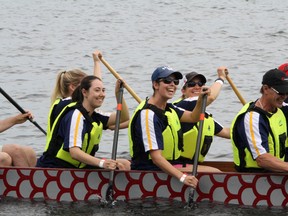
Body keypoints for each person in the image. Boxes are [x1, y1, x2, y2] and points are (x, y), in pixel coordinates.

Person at [128, 66, 221, 189]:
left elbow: (193, 117)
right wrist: (182, 177)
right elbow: (156, 158)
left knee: (216, 172)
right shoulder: (148, 114)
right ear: (155, 85)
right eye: (167, 81)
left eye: (175, 82)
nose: (172, 85)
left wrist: (200, 101)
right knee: (217, 174)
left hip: (169, 165)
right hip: (149, 170)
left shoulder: (170, 108)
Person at [37, 75, 130, 170]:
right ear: (84, 92)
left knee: (124, 165)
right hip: (55, 168)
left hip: (78, 167)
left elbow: (123, 117)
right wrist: (102, 163)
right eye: (97, 90)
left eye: (103, 90)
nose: (102, 94)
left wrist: (119, 95)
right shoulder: (76, 115)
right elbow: (74, 152)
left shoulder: (95, 114)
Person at [231, 68, 288, 172]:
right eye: (281, 92)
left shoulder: (282, 108)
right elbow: (262, 159)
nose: (284, 96)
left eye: (287, 92)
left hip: (278, 173)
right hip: (255, 178)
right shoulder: (253, 118)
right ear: (265, 89)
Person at [173, 67, 230, 166]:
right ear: (183, 91)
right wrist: (221, 78)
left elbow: (228, 133)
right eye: (191, 84)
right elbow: (210, 97)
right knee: (216, 172)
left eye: (200, 84)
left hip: (193, 165)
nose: (197, 87)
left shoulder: (205, 117)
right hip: (176, 164)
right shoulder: (183, 105)